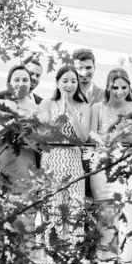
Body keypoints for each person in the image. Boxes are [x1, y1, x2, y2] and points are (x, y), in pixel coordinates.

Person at [37, 66, 91, 245]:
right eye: (65, 81)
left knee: (75, 210)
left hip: (74, 163)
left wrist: (71, 113)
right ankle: (52, 261)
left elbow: (83, 137)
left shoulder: (84, 106)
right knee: (53, 210)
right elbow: (44, 134)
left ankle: (74, 261)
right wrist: (60, 112)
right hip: (52, 163)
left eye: (73, 81)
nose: (69, 85)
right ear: (58, 83)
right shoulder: (46, 104)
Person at [89, 68, 132, 259]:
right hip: (102, 167)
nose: (119, 91)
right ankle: (105, 259)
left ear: (129, 87)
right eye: (115, 87)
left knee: (127, 213)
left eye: (124, 87)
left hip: (127, 165)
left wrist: (123, 135)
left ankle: (125, 259)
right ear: (108, 87)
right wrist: (113, 136)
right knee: (105, 214)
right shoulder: (97, 108)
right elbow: (91, 139)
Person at [0, 64, 40, 235]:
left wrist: (29, 129)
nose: (21, 83)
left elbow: (41, 142)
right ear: (9, 83)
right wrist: (11, 122)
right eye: (16, 79)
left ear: (30, 83)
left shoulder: (37, 109)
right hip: (1, 165)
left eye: (25, 79)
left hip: (25, 168)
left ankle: (23, 259)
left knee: (24, 217)